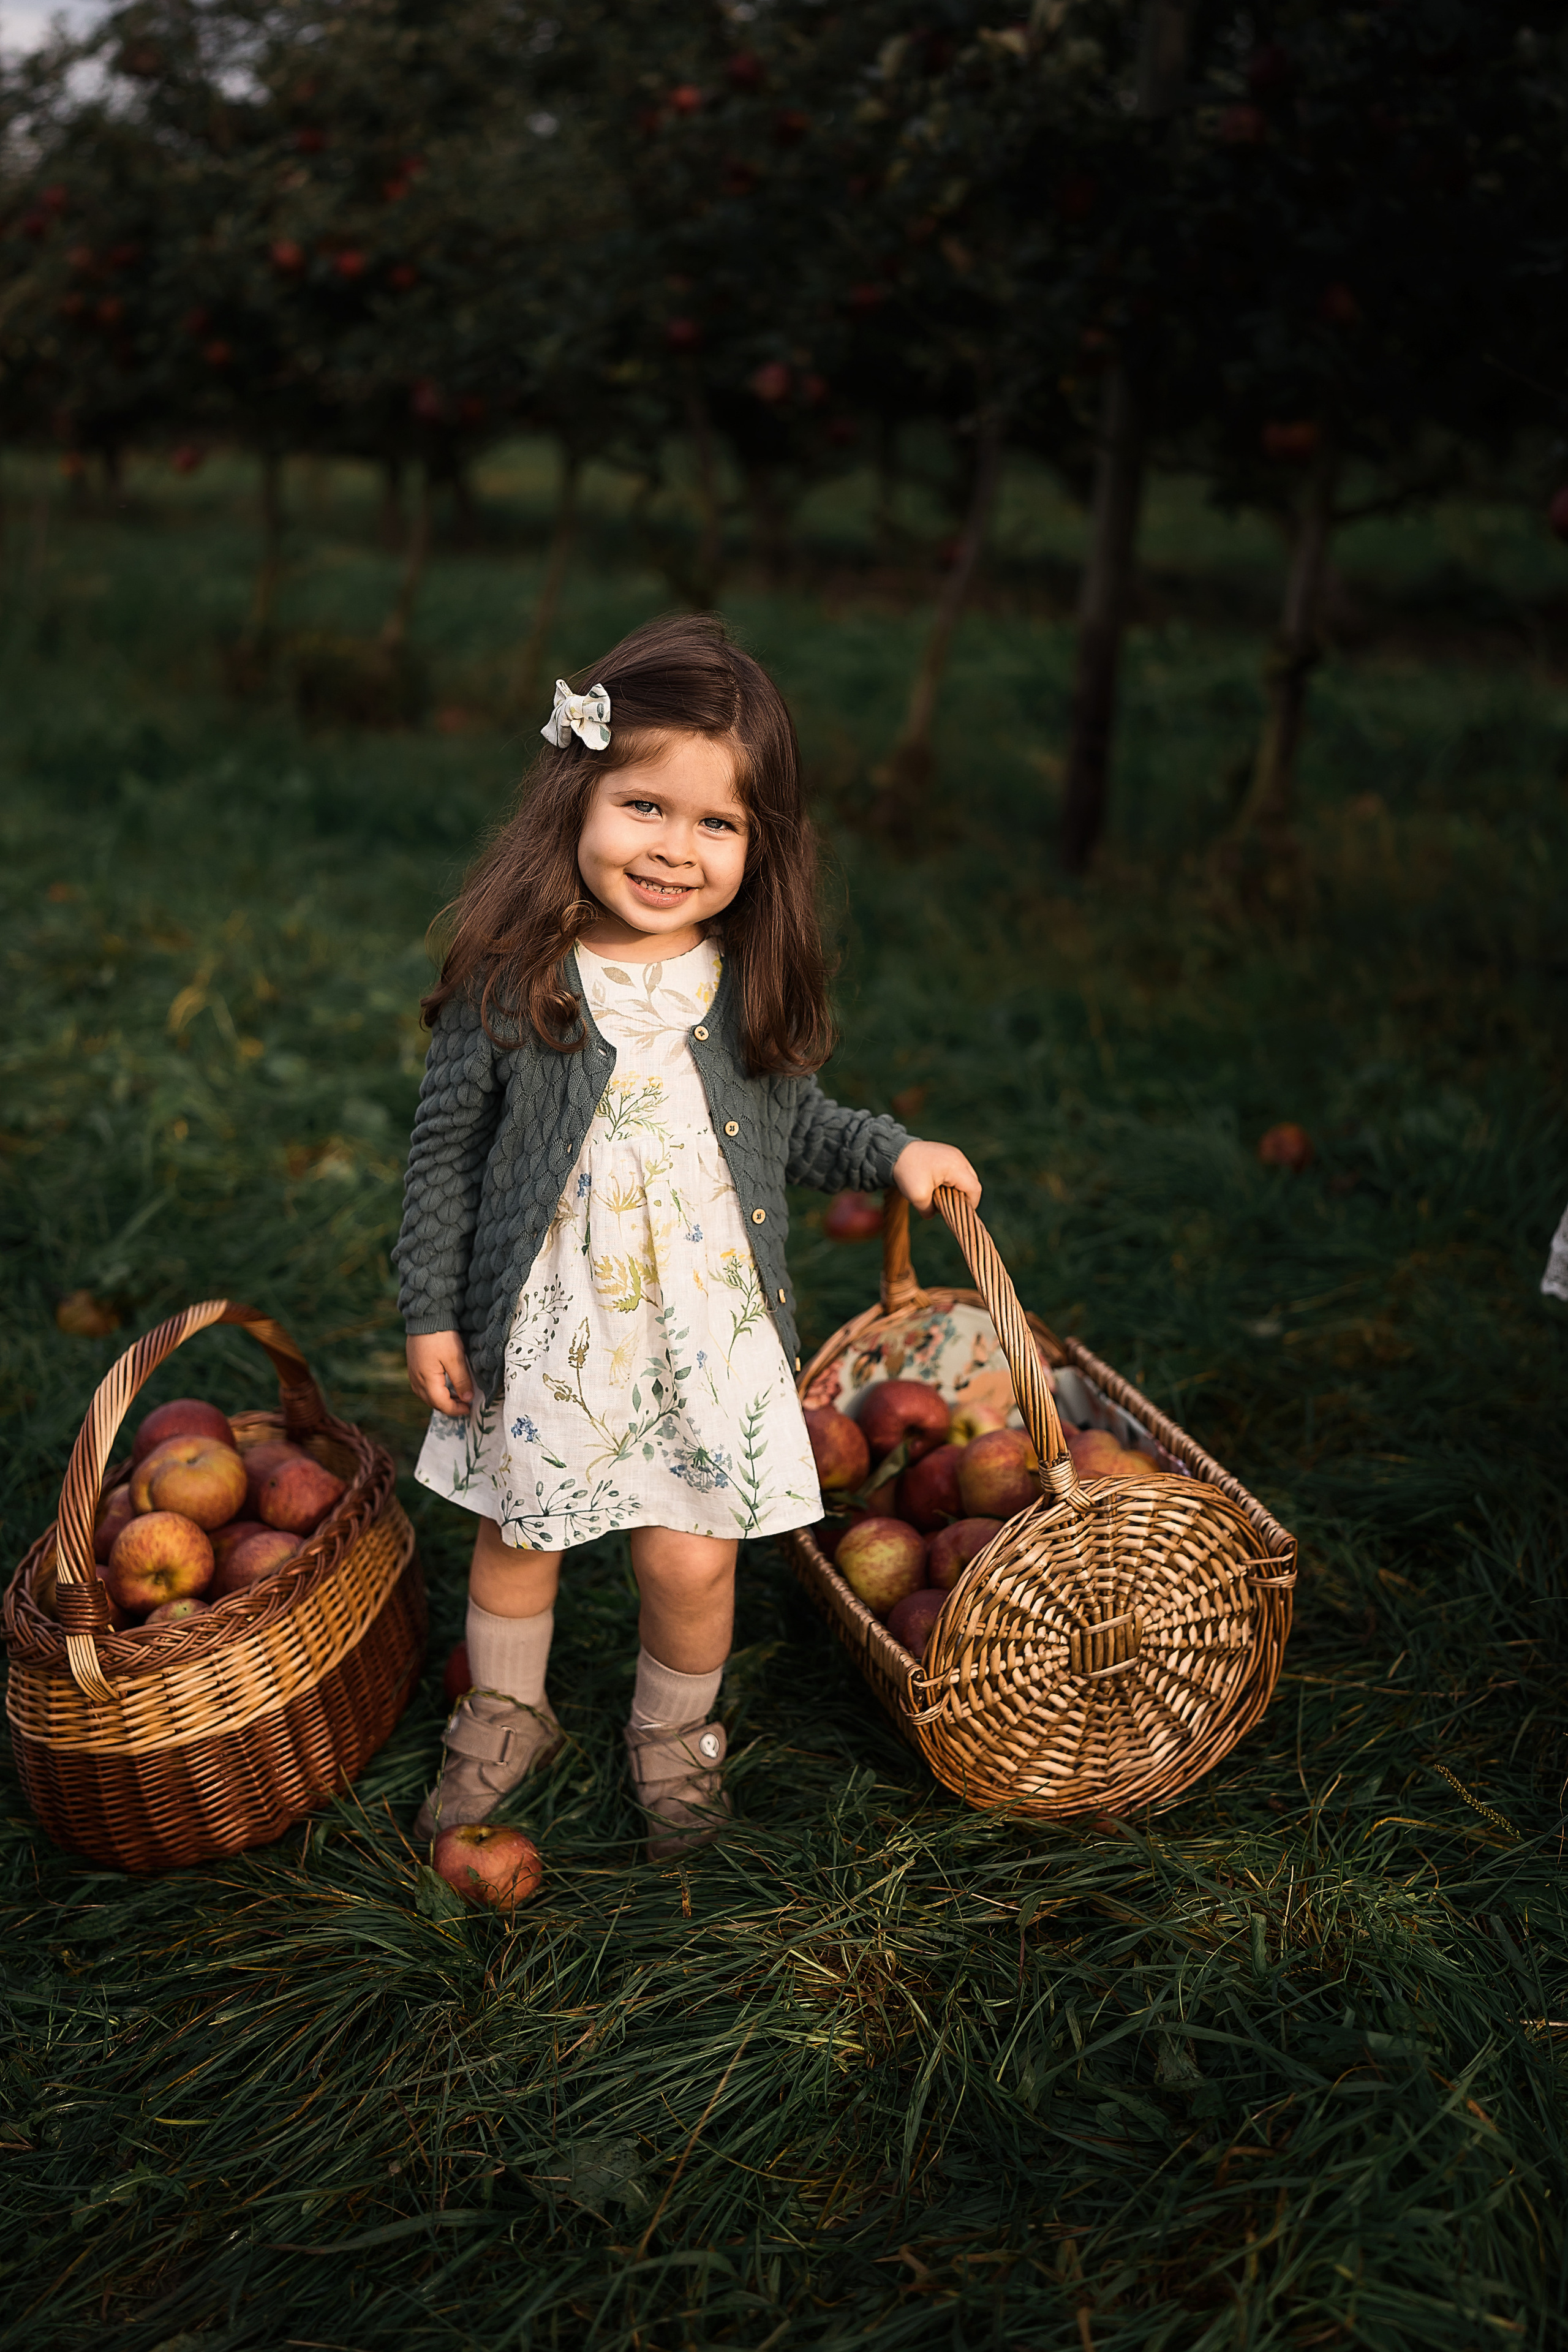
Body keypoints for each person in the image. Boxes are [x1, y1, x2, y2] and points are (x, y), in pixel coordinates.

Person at [394, 613, 981, 1859]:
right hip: (554, 1326)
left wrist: (893, 1154)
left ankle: (672, 1735)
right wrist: (431, 1308)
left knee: (692, 1561)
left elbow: (803, 1124)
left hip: (703, 1334)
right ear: (577, 800)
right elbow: (443, 1151)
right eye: (644, 807)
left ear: (760, 848)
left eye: (715, 824)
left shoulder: (742, 982)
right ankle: (505, 1713)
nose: (674, 849)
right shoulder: (520, 977)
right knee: (516, 1538)